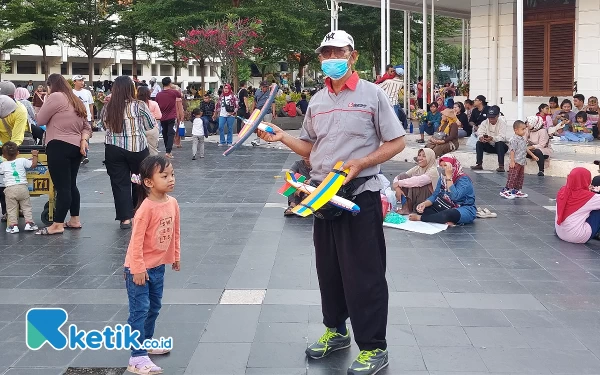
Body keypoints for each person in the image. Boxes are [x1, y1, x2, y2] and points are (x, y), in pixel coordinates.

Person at [256, 30, 406, 375]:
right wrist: (282, 137)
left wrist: (361, 163)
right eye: (325, 53)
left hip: (360, 195)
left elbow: (396, 142)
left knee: (364, 273)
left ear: (352, 56)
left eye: (337, 51)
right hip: (322, 196)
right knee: (329, 270)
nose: (330, 58)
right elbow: (312, 149)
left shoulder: (373, 95)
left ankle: (373, 347)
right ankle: (336, 331)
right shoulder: (318, 101)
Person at [124, 155, 180, 374]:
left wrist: (175, 255)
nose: (171, 179)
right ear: (148, 182)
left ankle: (145, 343)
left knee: (154, 307)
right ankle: (136, 358)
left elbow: (175, 233)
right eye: (164, 176)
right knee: (140, 310)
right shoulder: (145, 209)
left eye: (172, 174)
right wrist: (137, 268)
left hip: (158, 267)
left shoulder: (173, 203)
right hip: (138, 269)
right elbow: (135, 243)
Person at [35, 73, 91, 235]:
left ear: (51, 85)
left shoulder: (56, 97)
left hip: (58, 145)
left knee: (62, 187)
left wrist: (44, 100)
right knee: (71, 185)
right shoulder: (74, 99)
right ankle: (74, 219)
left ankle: (57, 224)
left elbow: (39, 120)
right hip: (76, 148)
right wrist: (83, 140)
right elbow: (86, 126)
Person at [102, 76, 155, 229]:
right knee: (139, 181)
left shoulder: (108, 106)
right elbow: (150, 125)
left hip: (113, 148)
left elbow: (104, 126)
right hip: (137, 148)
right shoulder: (139, 105)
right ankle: (139, 213)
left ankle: (125, 219)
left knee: (119, 183)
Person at [409, 154, 476, 225]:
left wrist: (449, 178)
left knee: (449, 214)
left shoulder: (464, 179)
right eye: (441, 166)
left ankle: (421, 218)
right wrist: (424, 204)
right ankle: (443, 219)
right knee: (421, 208)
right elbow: (435, 195)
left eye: (445, 166)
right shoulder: (442, 177)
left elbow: (455, 197)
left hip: (463, 208)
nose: (443, 168)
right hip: (446, 205)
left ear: (453, 166)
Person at [0, 142, 38, 233]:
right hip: (22, 188)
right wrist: (35, 155)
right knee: (26, 207)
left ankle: (13, 226)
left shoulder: (3, 165)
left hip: (9, 189)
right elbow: (33, 165)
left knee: (11, 209)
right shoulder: (22, 160)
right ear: (18, 152)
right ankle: (29, 224)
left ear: (3, 155)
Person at [555, 167, 600, 244]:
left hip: (560, 232)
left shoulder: (562, 190)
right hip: (576, 236)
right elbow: (586, 197)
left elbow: (576, 195)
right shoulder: (588, 197)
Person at [499, 120, 539, 199]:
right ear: (516, 130)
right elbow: (512, 150)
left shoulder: (522, 139)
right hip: (516, 161)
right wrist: (512, 161)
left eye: (525, 129)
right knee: (512, 176)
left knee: (520, 177)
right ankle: (506, 190)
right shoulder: (514, 139)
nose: (524, 131)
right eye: (522, 129)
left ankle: (516, 190)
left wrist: (533, 155)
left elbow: (525, 148)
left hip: (521, 162)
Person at [393, 148, 438, 214]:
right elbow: (398, 177)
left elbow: (419, 181)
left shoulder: (433, 170)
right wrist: (397, 188)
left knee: (414, 183)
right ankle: (406, 207)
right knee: (403, 176)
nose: (420, 158)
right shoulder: (418, 168)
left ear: (430, 158)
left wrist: (398, 183)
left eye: (424, 156)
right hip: (418, 195)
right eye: (419, 155)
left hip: (429, 199)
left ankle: (411, 208)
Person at [470, 105, 509, 172]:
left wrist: (492, 138)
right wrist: (481, 138)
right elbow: (480, 133)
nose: (491, 119)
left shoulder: (502, 123)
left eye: (493, 118)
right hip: (489, 145)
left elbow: (502, 137)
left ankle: (501, 166)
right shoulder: (484, 122)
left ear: (497, 116)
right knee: (479, 143)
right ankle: (479, 164)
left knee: (499, 143)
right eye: (489, 117)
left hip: (500, 147)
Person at [155, 77, 181, 159]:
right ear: (170, 83)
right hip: (171, 117)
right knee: (171, 134)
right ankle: (168, 152)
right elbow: (181, 95)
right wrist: (174, 87)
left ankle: (167, 149)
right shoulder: (173, 93)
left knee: (165, 133)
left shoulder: (158, 94)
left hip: (162, 117)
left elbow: (157, 104)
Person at [136, 86, 162, 156]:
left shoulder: (134, 104)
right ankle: (153, 166)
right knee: (153, 150)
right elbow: (159, 116)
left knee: (139, 150)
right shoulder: (153, 103)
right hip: (152, 129)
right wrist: (152, 117)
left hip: (138, 129)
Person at [251, 81, 277, 147]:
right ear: (261, 87)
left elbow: (273, 103)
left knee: (268, 126)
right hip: (259, 111)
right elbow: (254, 101)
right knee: (258, 126)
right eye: (264, 87)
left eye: (266, 87)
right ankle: (257, 140)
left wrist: (273, 112)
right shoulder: (257, 92)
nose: (265, 88)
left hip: (267, 111)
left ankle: (269, 139)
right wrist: (252, 111)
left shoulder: (270, 93)